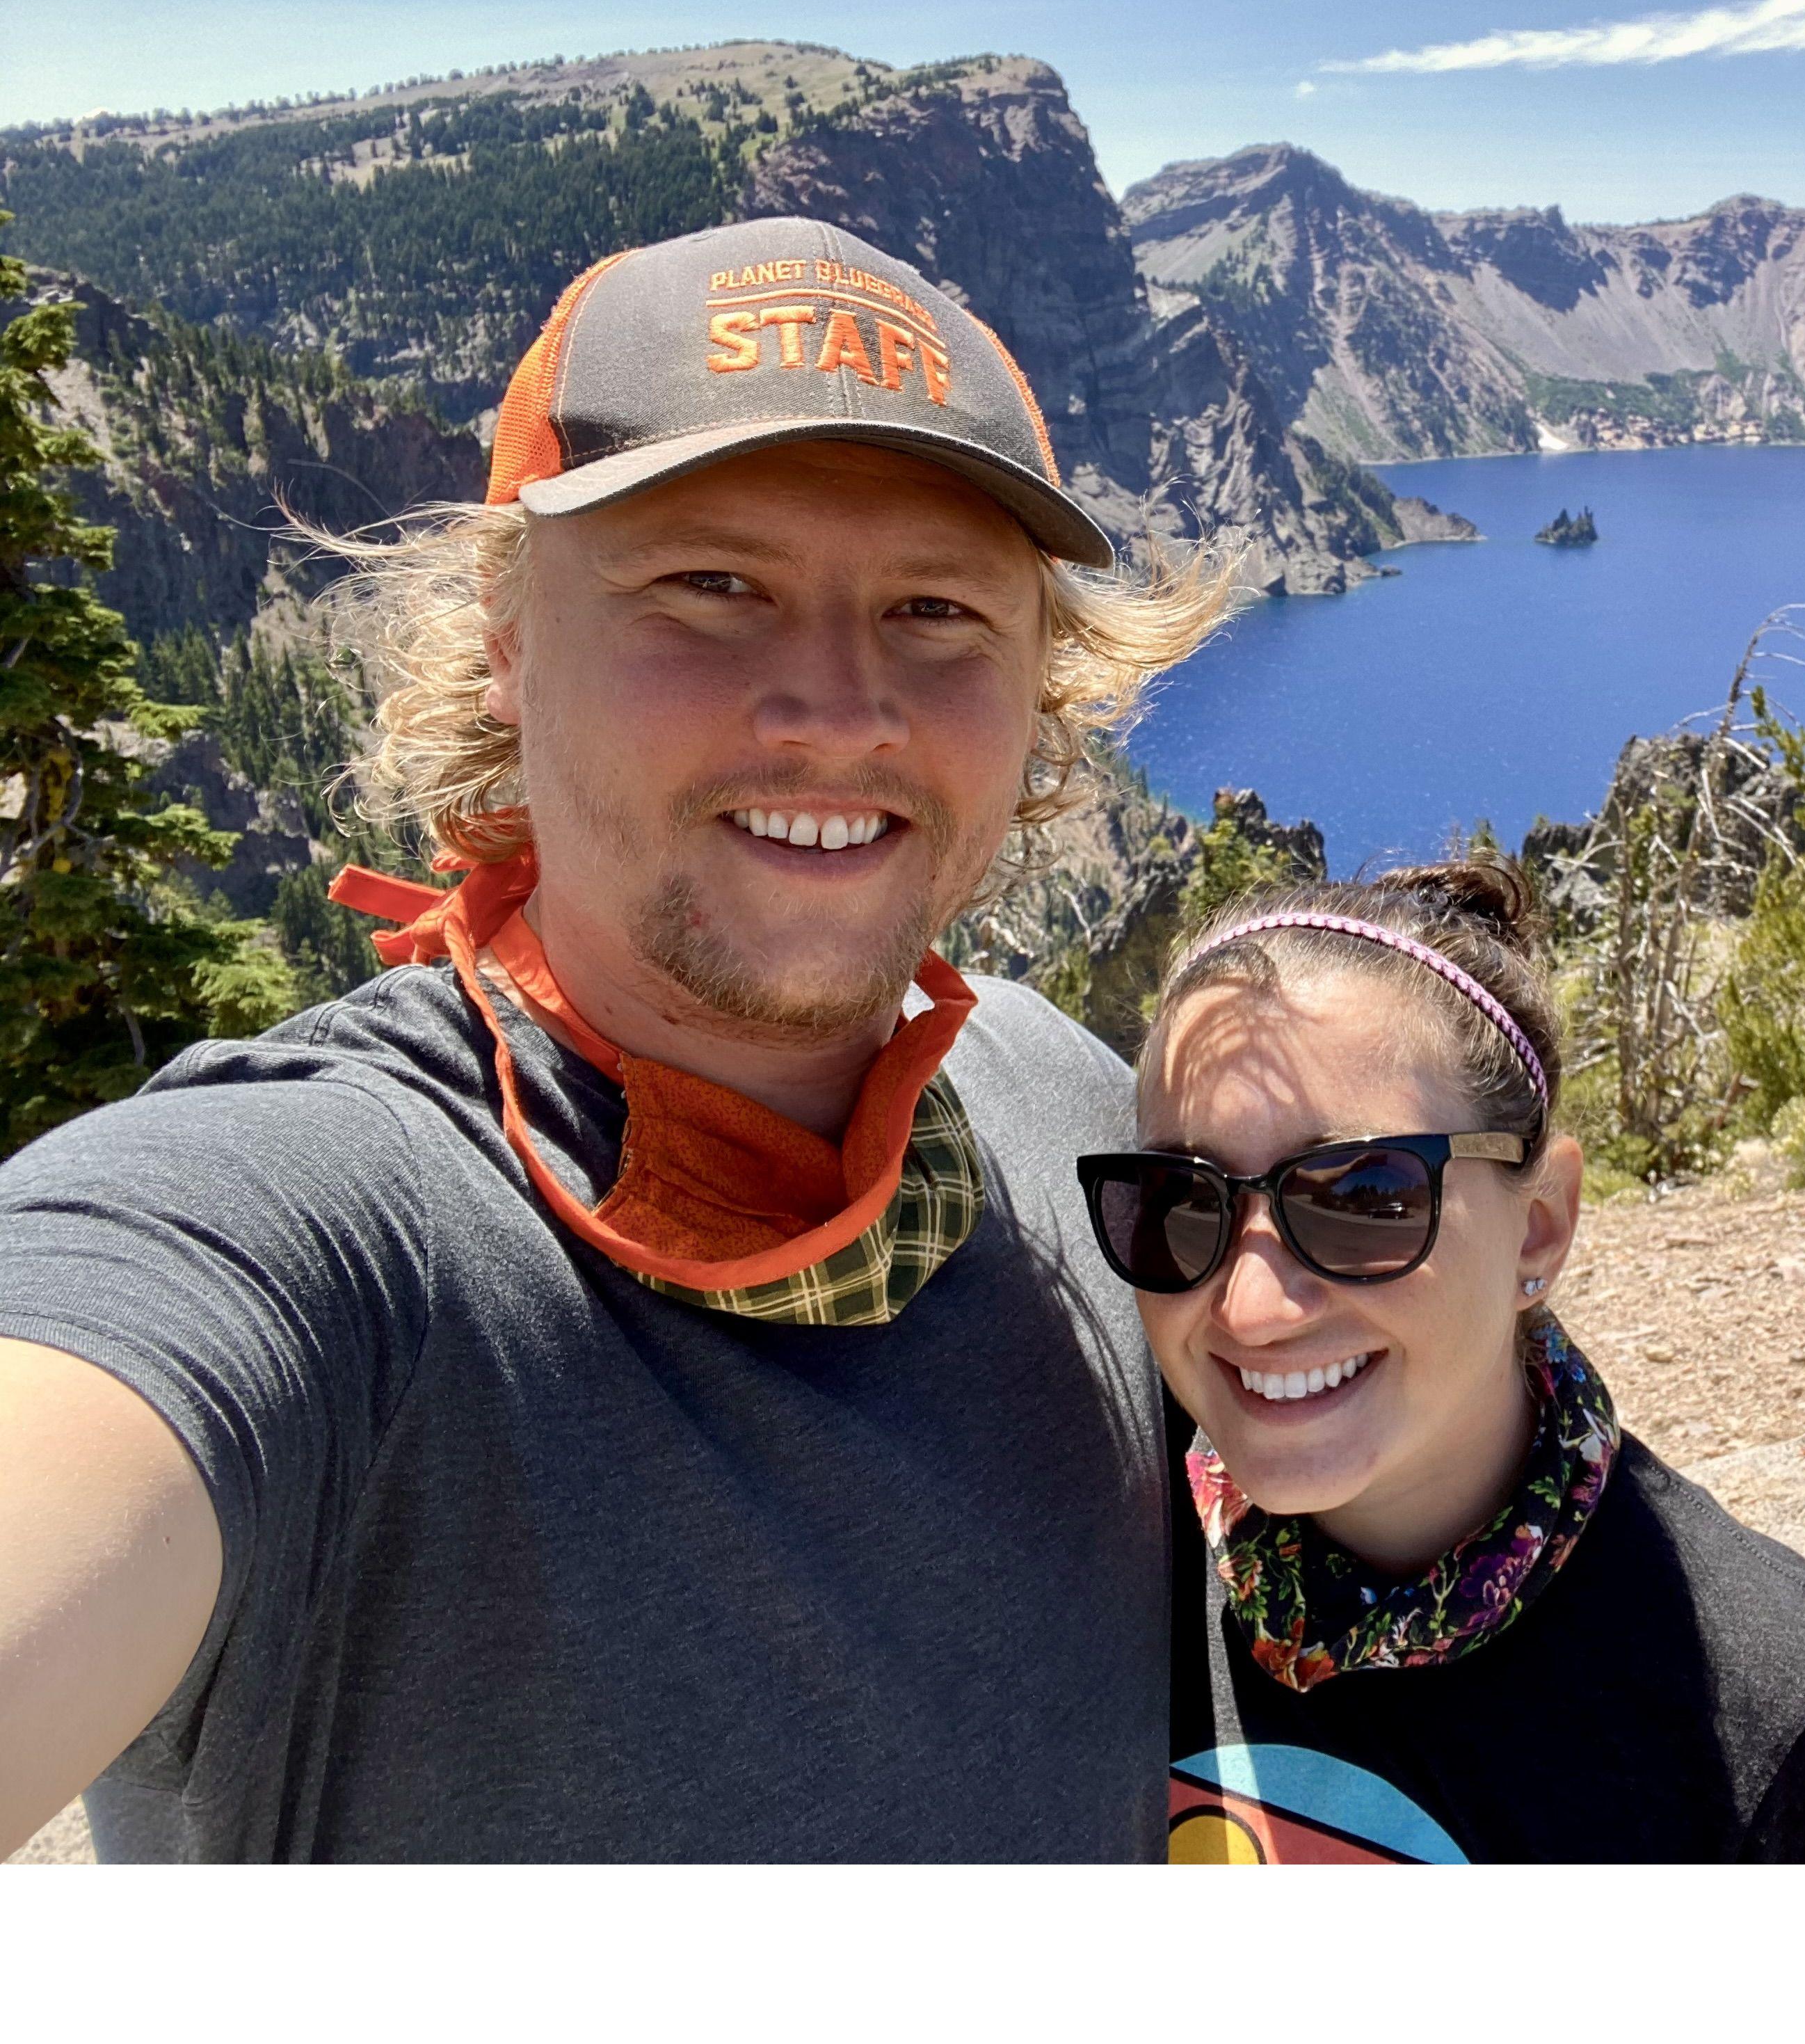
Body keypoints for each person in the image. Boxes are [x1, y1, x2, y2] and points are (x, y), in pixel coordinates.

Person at [0, 216, 1226, 1862]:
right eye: (711, 586)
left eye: (938, 609)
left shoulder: (1055, 1097)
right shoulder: (312, 1232)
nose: (839, 708)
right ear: (510, 640)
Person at [1079, 856, 1805, 1864]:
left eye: (1363, 1199)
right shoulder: (1105, 1543)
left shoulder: (1774, 1710)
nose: (1253, 1308)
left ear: (1539, 1227)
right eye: (1183, 1206)